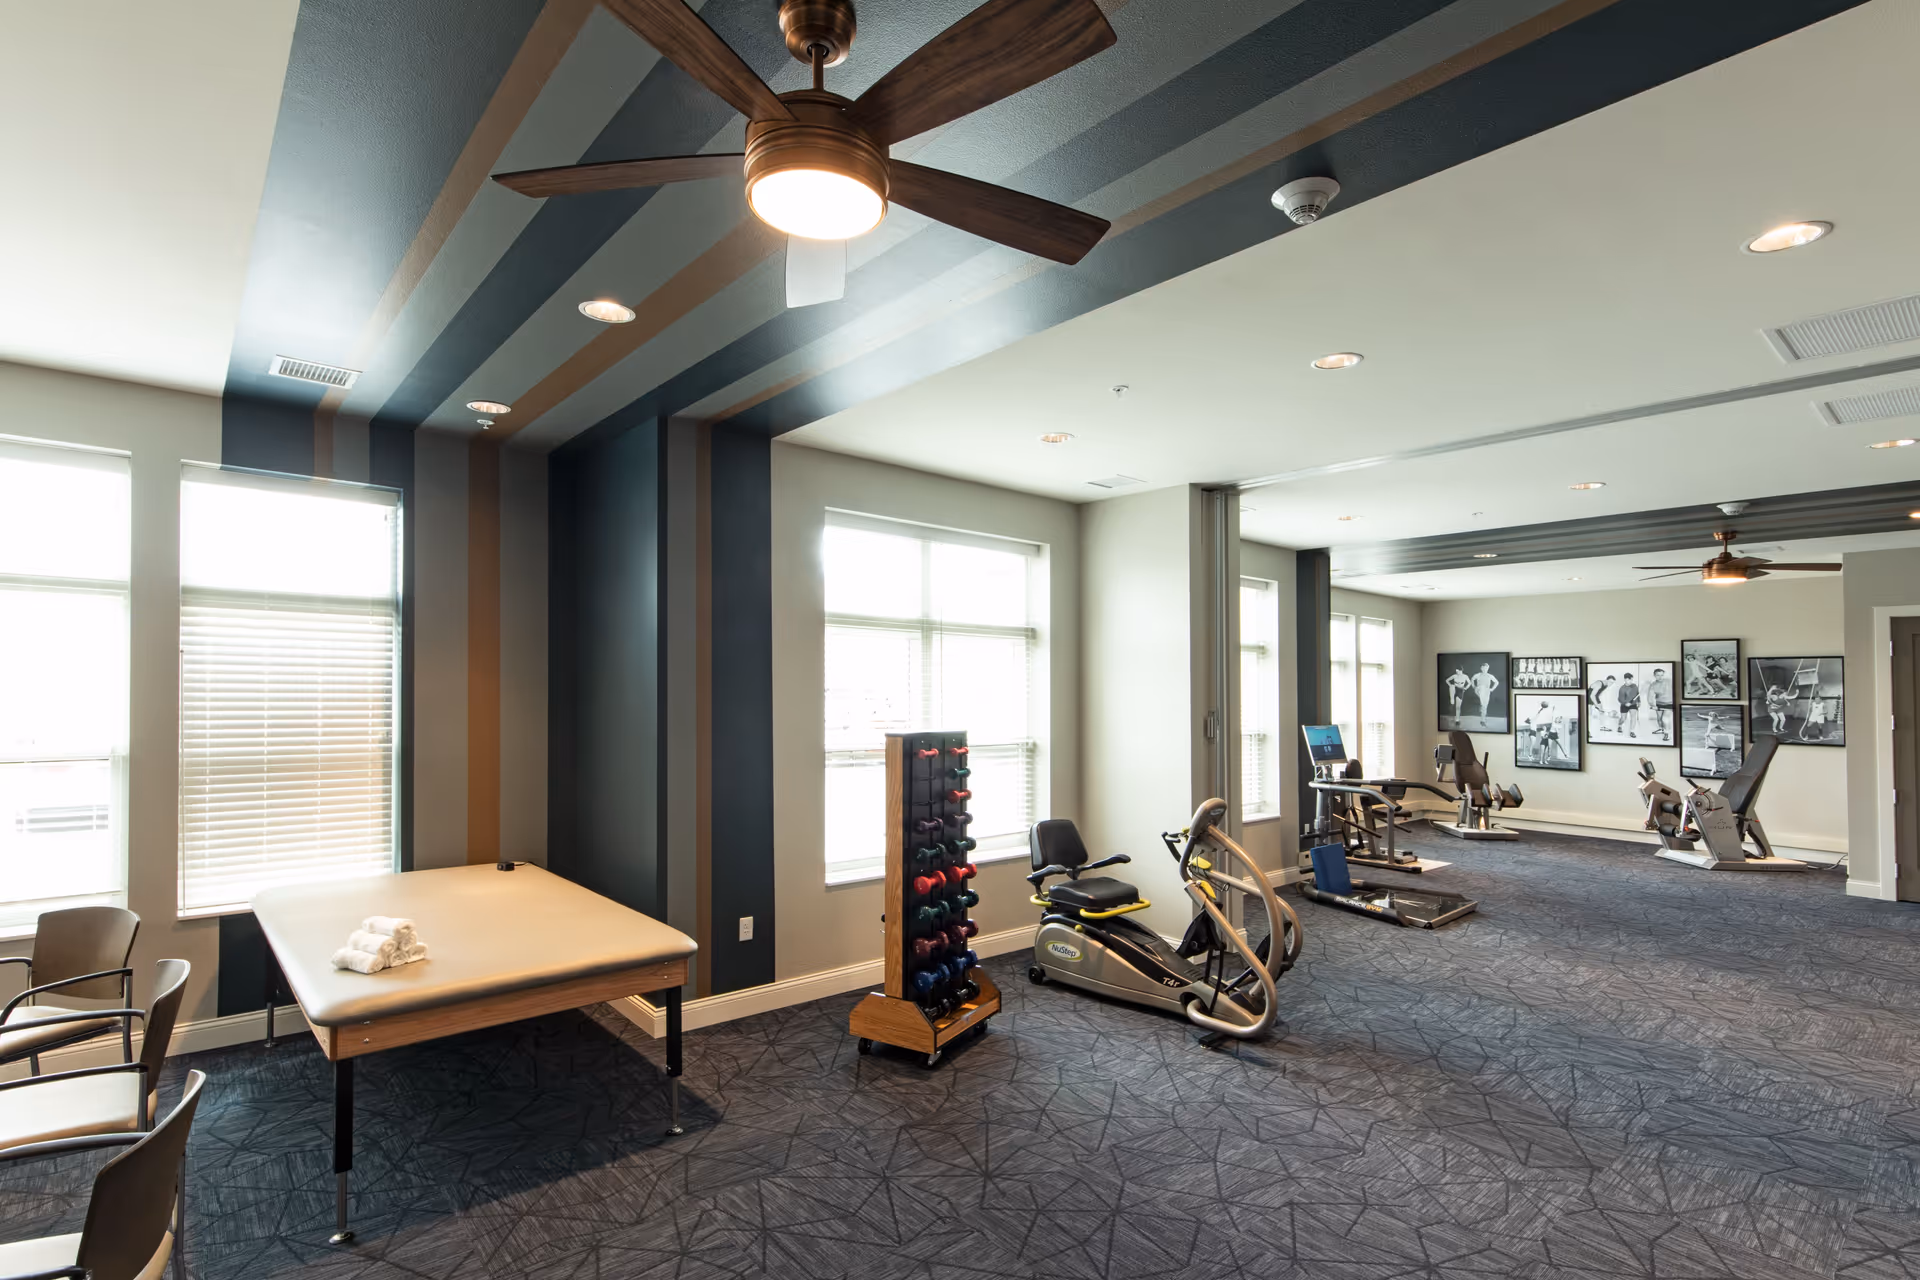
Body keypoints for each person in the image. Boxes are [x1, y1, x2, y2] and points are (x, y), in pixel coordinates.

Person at [1648, 667, 1673, 739]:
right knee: (1659, 719)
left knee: (1665, 719)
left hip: (1670, 703)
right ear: (1654, 675)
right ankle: (1661, 729)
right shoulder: (1653, 684)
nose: (1660, 677)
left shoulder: (1669, 681)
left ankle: (1667, 734)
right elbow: (1650, 696)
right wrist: (1652, 705)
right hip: (1659, 703)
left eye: (1662, 675)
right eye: (1658, 675)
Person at [1617, 670, 1641, 738]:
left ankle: (1632, 731)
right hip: (1624, 705)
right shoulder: (1622, 688)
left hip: (1633, 704)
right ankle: (1620, 726)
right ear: (1625, 679)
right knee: (1623, 719)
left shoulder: (1634, 686)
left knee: (1633, 717)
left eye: (1631, 679)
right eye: (1628, 680)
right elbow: (1619, 699)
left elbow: (1638, 694)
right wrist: (1625, 703)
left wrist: (1639, 701)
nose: (1630, 681)